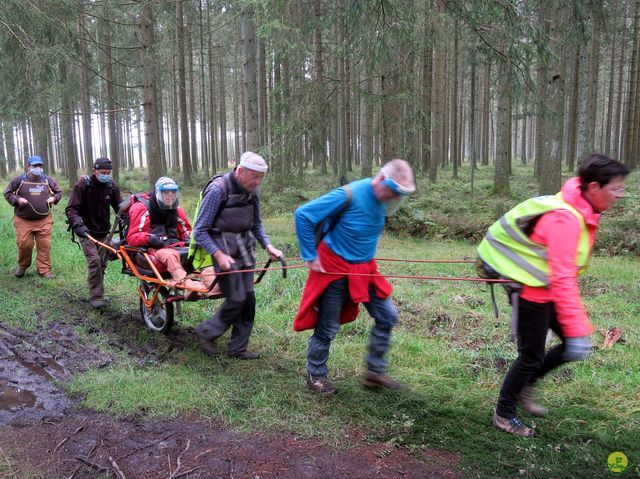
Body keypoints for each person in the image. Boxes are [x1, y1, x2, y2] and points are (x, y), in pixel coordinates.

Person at [477, 153, 629, 437]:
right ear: (594, 187)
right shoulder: (565, 218)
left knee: (573, 343)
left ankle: (525, 387)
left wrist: (576, 331)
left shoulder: (579, 209)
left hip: (546, 289)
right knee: (531, 356)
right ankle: (504, 414)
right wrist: (577, 324)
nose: (620, 195)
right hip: (531, 293)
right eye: (616, 188)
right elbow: (563, 278)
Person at [293, 159, 416, 395]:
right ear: (380, 179)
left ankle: (374, 373)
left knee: (388, 315)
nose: (392, 199)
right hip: (335, 268)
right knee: (328, 327)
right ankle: (315, 375)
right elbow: (303, 215)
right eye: (391, 192)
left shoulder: (385, 199)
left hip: (365, 269)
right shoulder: (347, 195)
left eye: (396, 195)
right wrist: (309, 255)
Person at [192, 152, 283, 359]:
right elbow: (199, 231)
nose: (258, 182)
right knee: (237, 298)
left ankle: (237, 349)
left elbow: (256, 223)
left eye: (261, 178)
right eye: (254, 176)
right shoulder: (218, 190)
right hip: (223, 254)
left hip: (245, 251)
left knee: (248, 300)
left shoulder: (252, 191)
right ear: (240, 171)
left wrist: (268, 245)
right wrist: (219, 255)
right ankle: (207, 332)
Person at [65, 157, 123, 309]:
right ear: (94, 171)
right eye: (103, 172)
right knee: (94, 261)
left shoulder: (111, 186)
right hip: (86, 231)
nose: (106, 175)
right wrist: (78, 225)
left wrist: (131, 219)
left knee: (102, 263)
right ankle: (96, 297)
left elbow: (121, 209)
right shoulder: (83, 184)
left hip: (104, 231)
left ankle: (98, 292)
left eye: (108, 172)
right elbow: (71, 209)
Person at [126, 177, 201, 291]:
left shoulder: (177, 210)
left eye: (173, 192)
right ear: (158, 193)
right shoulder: (143, 208)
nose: (170, 195)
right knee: (170, 255)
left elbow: (186, 231)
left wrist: (190, 238)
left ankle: (209, 279)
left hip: (176, 244)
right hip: (154, 247)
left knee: (200, 248)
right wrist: (149, 239)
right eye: (166, 192)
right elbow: (132, 237)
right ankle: (184, 282)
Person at [3, 155, 63, 279]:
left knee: (44, 244)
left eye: (40, 166)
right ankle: (23, 265)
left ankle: (44, 270)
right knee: (25, 244)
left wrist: (54, 198)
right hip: (23, 220)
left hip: (44, 219)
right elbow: (7, 193)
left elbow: (58, 192)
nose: (38, 168)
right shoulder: (19, 180)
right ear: (29, 167)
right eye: (35, 166)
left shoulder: (47, 180)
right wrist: (17, 200)